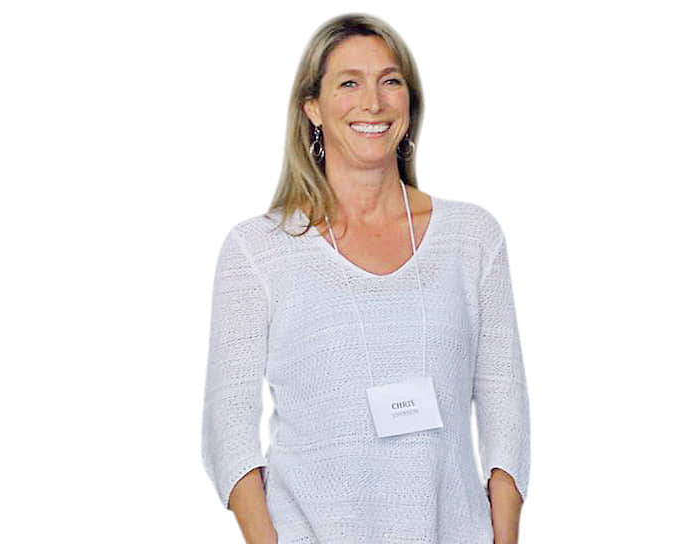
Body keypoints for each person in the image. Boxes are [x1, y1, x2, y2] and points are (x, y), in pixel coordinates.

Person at [201, 13, 530, 544]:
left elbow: (504, 409)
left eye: (390, 81)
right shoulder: (258, 250)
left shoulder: (473, 238)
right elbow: (229, 427)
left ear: (410, 101)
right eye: (349, 83)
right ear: (312, 107)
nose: (373, 102)